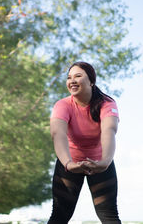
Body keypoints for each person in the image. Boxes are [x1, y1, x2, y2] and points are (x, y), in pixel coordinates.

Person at [48, 61, 121, 224]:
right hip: (70, 162)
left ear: (91, 81)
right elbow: (57, 133)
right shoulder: (63, 105)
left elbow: (109, 130)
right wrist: (68, 163)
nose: (72, 80)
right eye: (69, 77)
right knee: (60, 214)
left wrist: (105, 162)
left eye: (78, 76)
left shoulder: (107, 103)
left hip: (100, 162)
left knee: (109, 215)